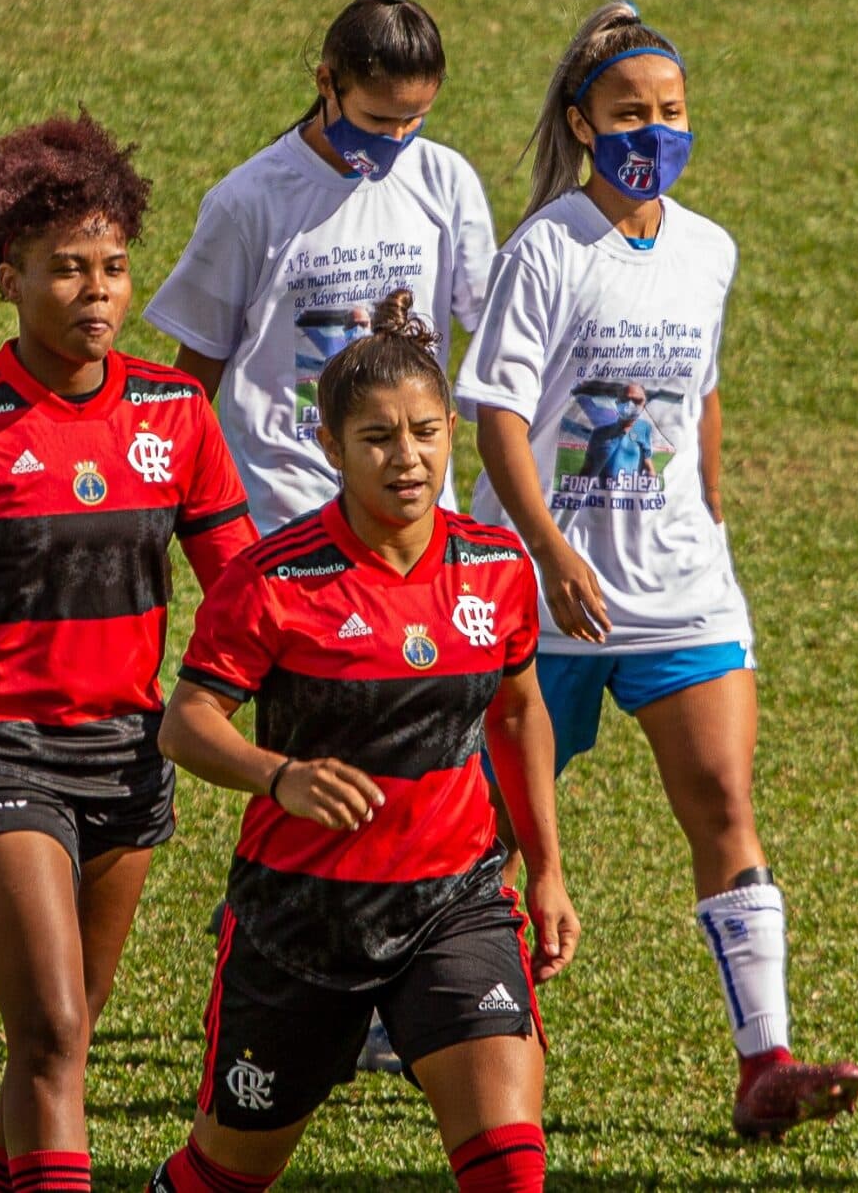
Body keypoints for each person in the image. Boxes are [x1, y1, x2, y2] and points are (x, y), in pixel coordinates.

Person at [456, 0, 858, 1140]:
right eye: (632, 112)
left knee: (726, 805)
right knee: (493, 830)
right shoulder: (544, 249)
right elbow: (493, 413)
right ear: (583, 123)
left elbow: (704, 394)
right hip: (546, 603)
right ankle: (438, 1014)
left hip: (682, 592)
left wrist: (714, 523)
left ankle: (764, 1061)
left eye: (674, 112)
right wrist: (547, 552)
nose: (656, 131)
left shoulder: (708, 248)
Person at [0, 113, 255, 1192]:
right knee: (59, 1030)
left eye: (114, 268)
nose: (98, 294)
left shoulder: (177, 417)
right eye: (67, 270)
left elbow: (248, 601)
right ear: (8, 276)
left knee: (53, 1046)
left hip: (127, 759)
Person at [144, 291, 578, 1193]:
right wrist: (280, 777)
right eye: (377, 438)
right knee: (226, 1174)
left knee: (509, 1164)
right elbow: (185, 723)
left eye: (425, 431)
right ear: (331, 446)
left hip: (454, 902)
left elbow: (517, 712)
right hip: (300, 919)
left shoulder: (497, 569)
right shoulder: (275, 582)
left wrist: (545, 868)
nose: (406, 457)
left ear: (452, 432)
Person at [146, 0, 494, 533]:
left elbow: (495, 332)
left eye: (414, 119)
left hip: (415, 522)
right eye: (378, 120)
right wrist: (159, 506)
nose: (397, 138)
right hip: (288, 521)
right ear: (327, 82)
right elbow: (197, 370)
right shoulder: (249, 202)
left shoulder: (446, 182)